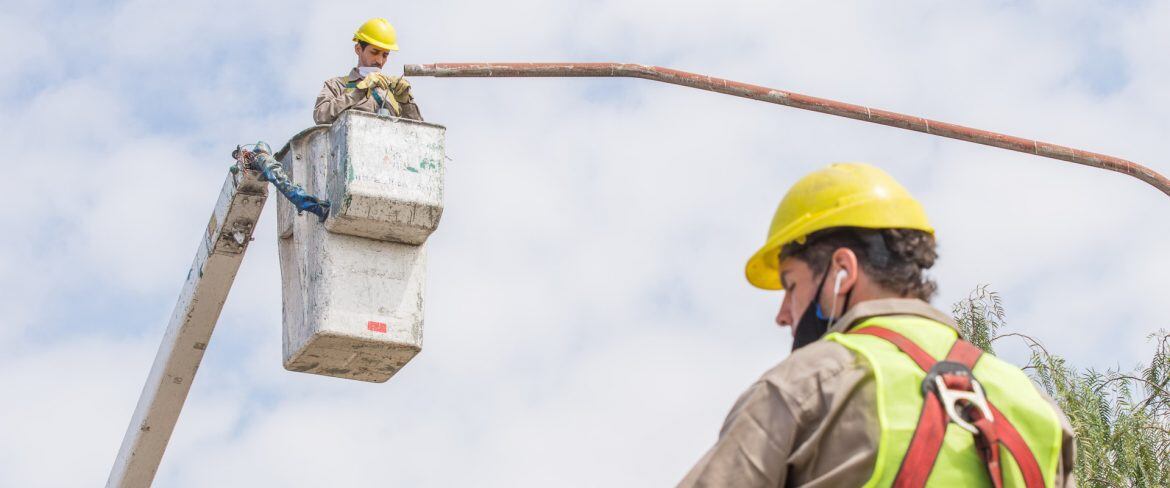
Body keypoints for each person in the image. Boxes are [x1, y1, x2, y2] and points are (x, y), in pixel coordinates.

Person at [679, 163, 1076, 487]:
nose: (783, 313)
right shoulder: (1034, 406)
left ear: (842, 271)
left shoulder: (806, 386)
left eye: (791, 285)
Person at [313, 18, 422, 125]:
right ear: (358, 49)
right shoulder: (337, 85)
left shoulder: (392, 91)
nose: (380, 61)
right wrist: (358, 91)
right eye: (374, 52)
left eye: (385, 55)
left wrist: (406, 102)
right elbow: (320, 116)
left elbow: (418, 134)